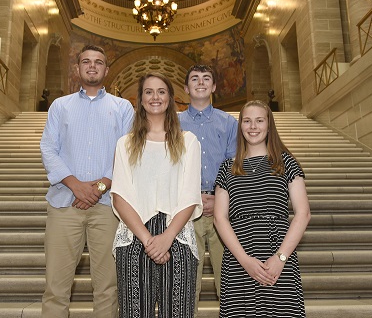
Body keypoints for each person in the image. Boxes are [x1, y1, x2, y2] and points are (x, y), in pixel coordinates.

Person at [39, 45, 134, 318]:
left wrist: (100, 186)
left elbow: (127, 152)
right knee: (56, 287)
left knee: (107, 287)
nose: (92, 66)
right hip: (63, 204)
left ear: (107, 69)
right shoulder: (60, 106)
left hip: (107, 207)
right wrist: (75, 185)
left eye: (98, 62)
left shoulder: (123, 108)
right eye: (86, 62)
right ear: (77, 68)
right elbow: (48, 148)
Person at [110, 72, 203, 317]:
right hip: (134, 235)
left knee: (179, 312)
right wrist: (148, 240)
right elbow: (119, 196)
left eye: (161, 91)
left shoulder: (188, 142)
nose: (155, 97)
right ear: (140, 100)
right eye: (148, 92)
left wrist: (166, 238)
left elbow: (190, 195)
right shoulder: (125, 143)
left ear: (171, 98)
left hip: (178, 236)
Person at [213, 100, 311, 317]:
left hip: (277, 255)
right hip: (239, 255)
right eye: (247, 121)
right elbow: (220, 218)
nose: (253, 127)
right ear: (240, 127)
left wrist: (281, 258)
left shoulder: (285, 162)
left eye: (259, 120)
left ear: (269, 125)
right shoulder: (227, 167)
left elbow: (302, 214)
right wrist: (245, 261)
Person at [178, 64, 238, 314]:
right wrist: (193, 198)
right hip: (186, 211)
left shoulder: (229, 123)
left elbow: (235, 165)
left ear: (213, 86)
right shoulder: (174, 121)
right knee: (187, 284)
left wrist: (219, 199)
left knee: (229, 282)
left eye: (206, 78)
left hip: (222, 211)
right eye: (194, 78)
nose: (200, 82)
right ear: (186, 88)